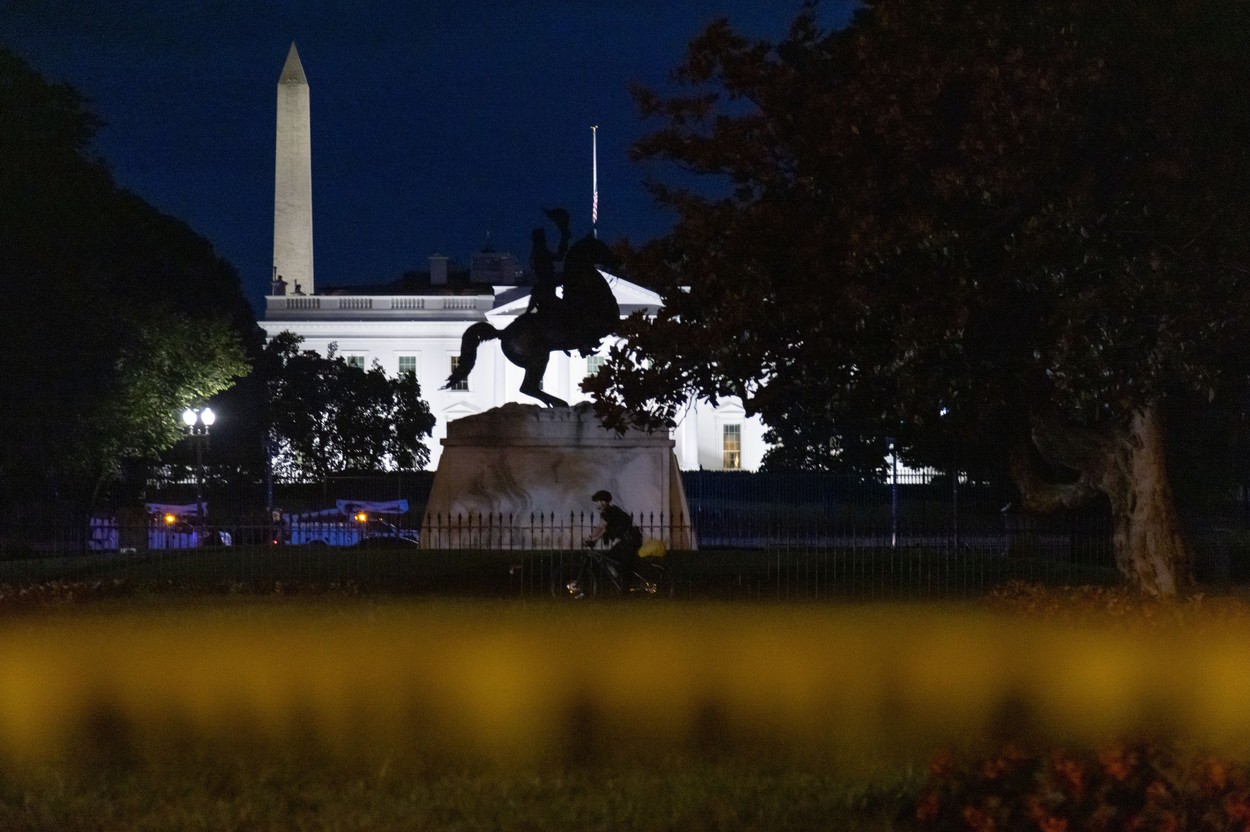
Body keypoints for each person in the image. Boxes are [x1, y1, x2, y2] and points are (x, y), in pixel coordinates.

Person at [569, 490, 643, 597]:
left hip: (629, 541)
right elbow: (604, 530)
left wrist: (590, 538)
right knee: (610, 560)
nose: (595, 505)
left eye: (597, 502)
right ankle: (621, 584)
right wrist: (593, 539)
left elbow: (601, 527)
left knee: (613, 561)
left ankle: (624, 587)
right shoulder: (611, 511)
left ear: (603, 502)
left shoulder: (608, 511)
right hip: (630, 540)